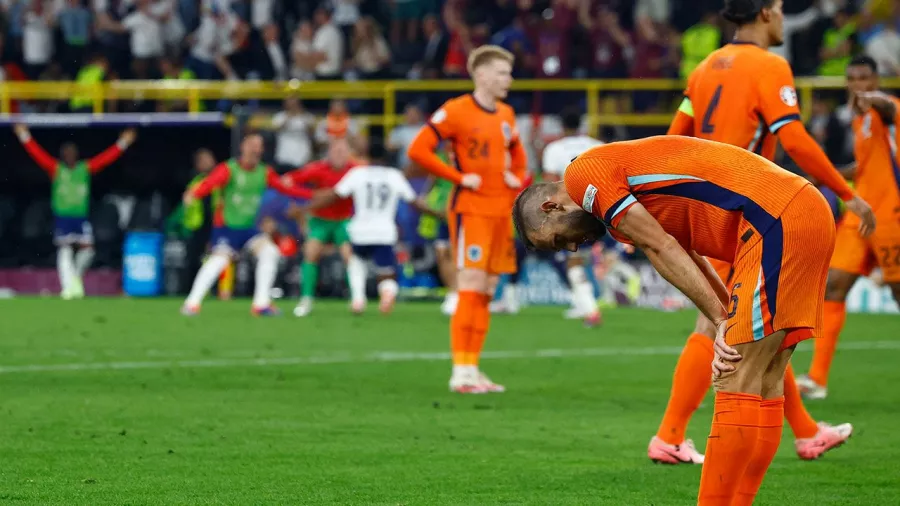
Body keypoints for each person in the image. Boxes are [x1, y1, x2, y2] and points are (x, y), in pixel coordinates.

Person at [512, 136, 836, 506]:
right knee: (766, 380)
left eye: (557, 240)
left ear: (551, 207)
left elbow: (659, 246)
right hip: (796, 211)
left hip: (774, 218)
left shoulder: (584, 175)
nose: (571, 248)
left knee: (736, 376)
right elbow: (683, 250)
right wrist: (723, 316)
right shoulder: (612, 210)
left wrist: (720, 320)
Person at [658, 0, 872, 464]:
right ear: (761, 15)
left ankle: (807, 431)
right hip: (741, 207)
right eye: (776, 7)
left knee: (763, 322)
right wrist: (847, 193)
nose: (780, 15)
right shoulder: (769, 65)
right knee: (718, 321)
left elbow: (676, 136)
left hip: (707, 203)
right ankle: (670, 435)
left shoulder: (706, 67)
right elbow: (792, 136)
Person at [407, 45, 527, 394]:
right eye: (503, 73)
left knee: (488, 291)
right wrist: (458, 178)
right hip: (470, 208)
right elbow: (418, 150)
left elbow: (518, 155)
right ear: (483, 75)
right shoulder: (456, 110)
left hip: (500, 210)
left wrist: (516, 177)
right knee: (470, 284)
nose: (509, 79)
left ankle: (473, 369)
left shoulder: (506, 114)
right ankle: (460, 370)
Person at [798, 56, 900, 399]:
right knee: (833, 287)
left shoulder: (888, 111)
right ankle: (816, 379)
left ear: (877, 80)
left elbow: (885, 105)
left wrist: (870, 98)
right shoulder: (859, 123)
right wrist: (826, 176)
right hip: (860, 217)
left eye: (865, 78)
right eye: (852, 79)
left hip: (892, 217)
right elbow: (865, 166)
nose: (858, 85)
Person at [180, 133, 312, 316]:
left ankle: (261, 304)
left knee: (270, 252)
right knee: (218, 261)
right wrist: (193, 193)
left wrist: (314, 195)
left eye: (258, 146)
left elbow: (286, 188)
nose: (255, 149)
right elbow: (210, 183)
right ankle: (191, 304)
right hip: (227, 227)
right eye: (252, 145)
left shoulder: (264, 172)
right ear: (243, 147)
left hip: (249, 230)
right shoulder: (229, 169)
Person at [302, 150, 440, 314]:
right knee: (386, 272)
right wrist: (438, 214)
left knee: (355, 262)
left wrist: (307, 208)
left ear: (368, 158)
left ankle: (358, 299)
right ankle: (387, 292)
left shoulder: (358, 174)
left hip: (360, 230)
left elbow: (335, 195)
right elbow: (414, 202)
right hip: (384, 232)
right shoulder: (394, 175)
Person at [13, 124, 137, 299]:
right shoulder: (56, 169)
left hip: (80, 217)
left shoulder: (84, 169)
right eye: (67, 153)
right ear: (63, 156)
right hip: (63, 217)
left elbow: (106, 158)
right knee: (64, 250)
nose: (70, 156)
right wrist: (24, 136)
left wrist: (123, 142)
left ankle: (76, 279)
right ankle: (66, 288)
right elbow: (37, 155)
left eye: (72, 153)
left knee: (88, 250)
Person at [539, 108, 604, 325]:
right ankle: (581, 303)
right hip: (599, 208)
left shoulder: (554, 149)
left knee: (572, 259)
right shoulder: (597, 145)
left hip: (571, 209)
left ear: (562, 126)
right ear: (581, 126)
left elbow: (550, 184)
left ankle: (590, 309)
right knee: (576, 258)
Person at [284, 138, 358, 317]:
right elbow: (288, 180)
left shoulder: (355, 171)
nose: (339, 155)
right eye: (335, 151)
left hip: (344, 220)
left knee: (350, 257)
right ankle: (306, 299)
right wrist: (298, 201)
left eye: (342, 151)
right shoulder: (318, 169)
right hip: (320, 219)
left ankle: (357, 298)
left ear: (348, 154)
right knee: (310, 253)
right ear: (329, 154)